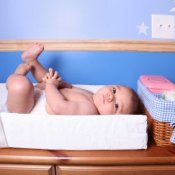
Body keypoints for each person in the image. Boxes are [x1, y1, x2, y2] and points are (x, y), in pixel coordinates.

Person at [6, 43, 143, 115]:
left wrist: (51, 86)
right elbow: (70, 88)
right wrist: (59, 83)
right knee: (46, 77)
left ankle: (17, 76)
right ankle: (32, 61)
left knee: (21, 86)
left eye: (116, 105)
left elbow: (59, 106)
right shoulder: (92, 95)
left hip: (26, 107)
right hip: (42, 93)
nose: (110, 97)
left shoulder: (90, 110)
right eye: (114, 90)